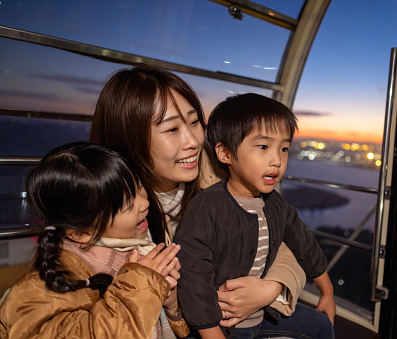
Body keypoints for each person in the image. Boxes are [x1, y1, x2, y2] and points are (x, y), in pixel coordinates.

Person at [89, 66, 316, 330]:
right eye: (172, 129)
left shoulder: (221, 170)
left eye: (195, 122)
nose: (194, 141)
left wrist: (270, 288)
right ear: (129, 139)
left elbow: (280, 234)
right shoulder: (107, 220)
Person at [175, 93, 336, 339]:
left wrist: (328, 293)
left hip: (262, 315)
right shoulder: (207, 207)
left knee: (321, 327)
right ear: (225, 154)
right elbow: (193, 281)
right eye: (263, 147)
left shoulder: (275, 204)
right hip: (220, 326)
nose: (277, 160)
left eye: (284, 149)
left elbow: (305, 246)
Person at [0, 142, 183, 338]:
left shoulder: (134, 247)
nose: (145, 203)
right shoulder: (35, 294)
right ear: (81, 233)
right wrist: (142, 286)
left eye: (139, 188)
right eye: (128, 205)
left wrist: (172, 305)